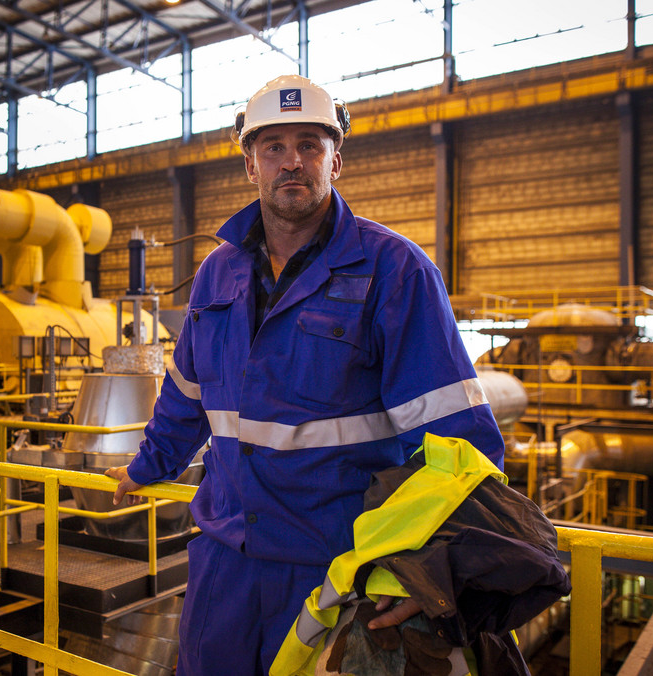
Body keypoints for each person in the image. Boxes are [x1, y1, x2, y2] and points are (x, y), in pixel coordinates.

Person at [105, 74, 506, 676]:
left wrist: (427, 569)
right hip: (225, 557)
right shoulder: (217, 274)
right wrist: (147, 467)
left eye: (309, 145)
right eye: (274, 147)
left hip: (337, 566)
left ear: (335, 161)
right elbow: (186, 394)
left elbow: (458, 440)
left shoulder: (395, 270)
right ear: (250, 165)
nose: (292, 161)